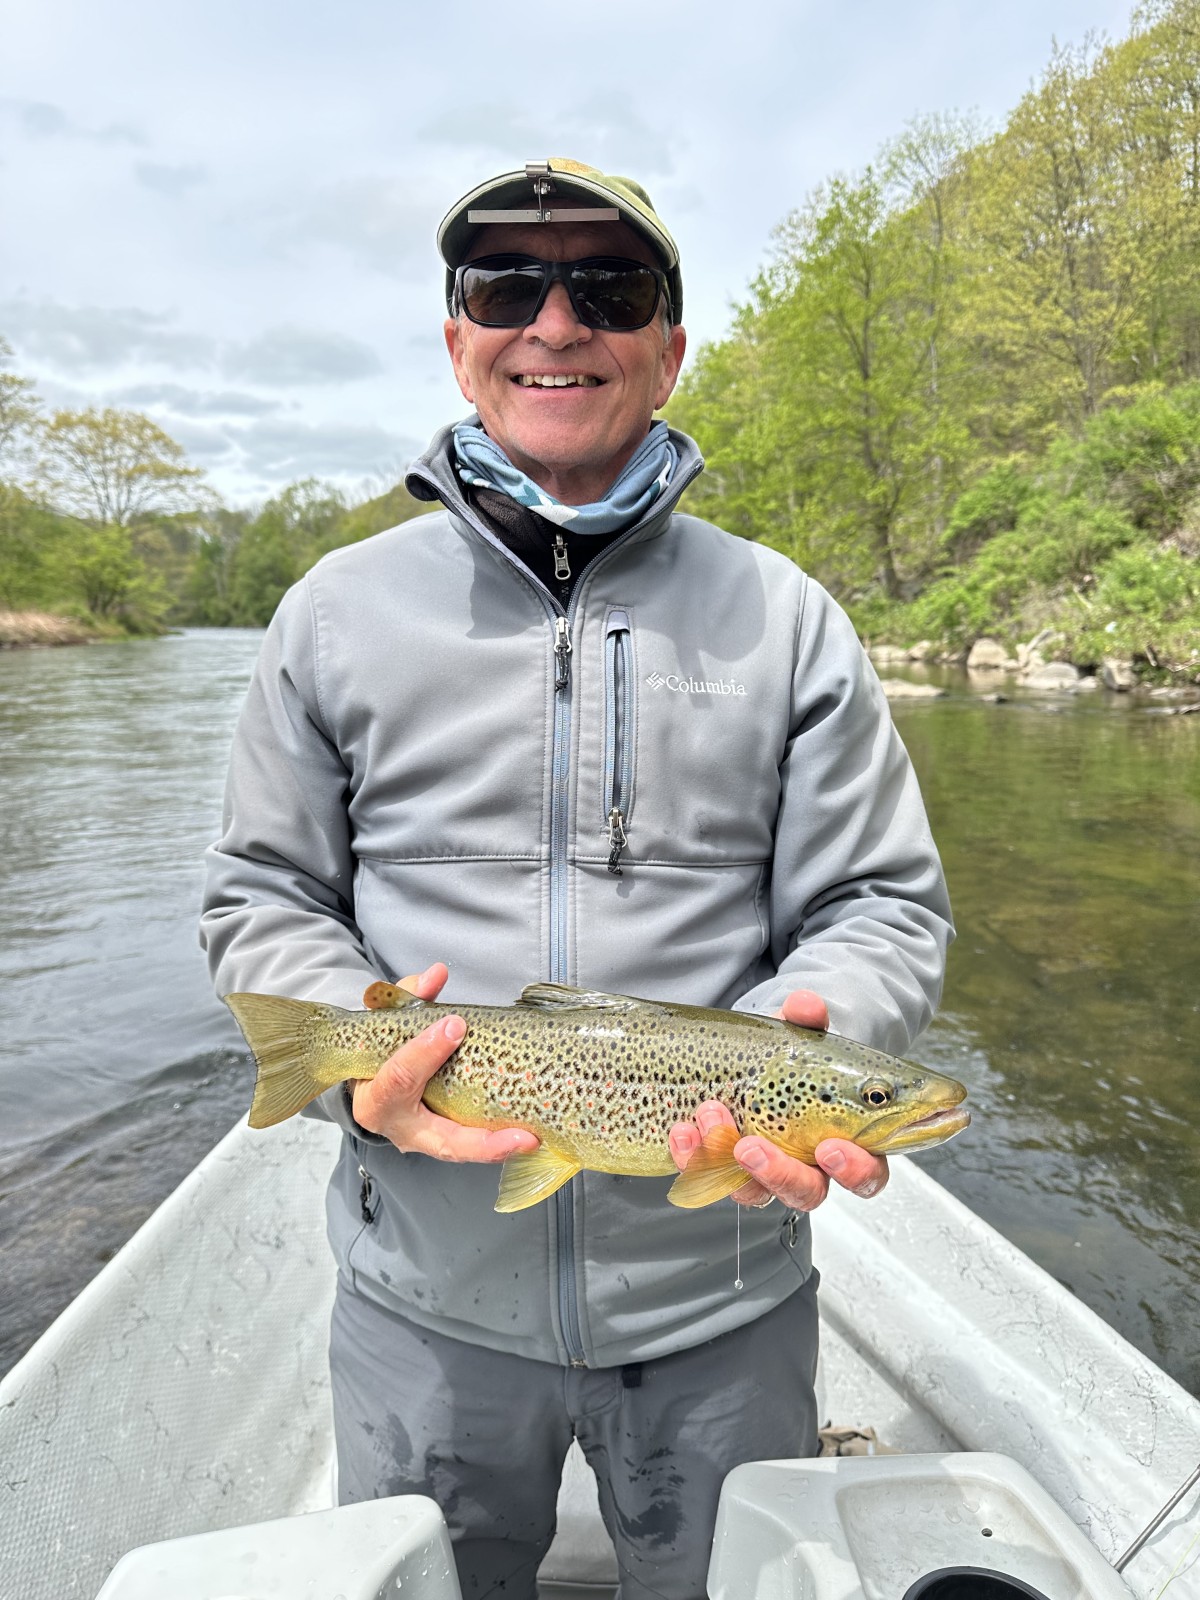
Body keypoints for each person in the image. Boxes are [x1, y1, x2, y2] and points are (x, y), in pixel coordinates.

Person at [201, 157, 953, 1600]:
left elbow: (885, 904)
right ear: (457, 338)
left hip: (725, 1301)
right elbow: (260, 893)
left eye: (608, 288)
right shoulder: (333, 612)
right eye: (507, 285)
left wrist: (818, 1027)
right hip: (420, 1301)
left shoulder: (790, 620)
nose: (555, 323)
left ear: (669, 352)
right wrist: (349, 1050)